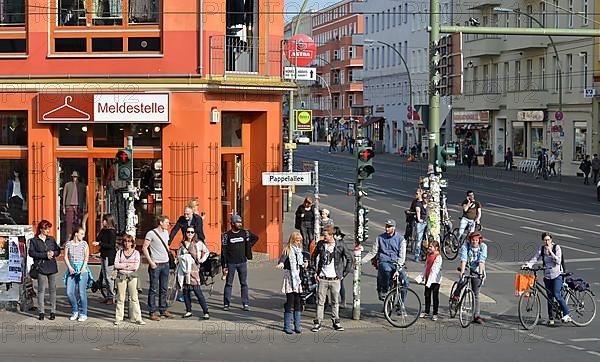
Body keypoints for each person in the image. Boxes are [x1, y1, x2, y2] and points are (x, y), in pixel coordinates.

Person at [521, 232, 572, 326]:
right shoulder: (541, 249)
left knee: (557, 294)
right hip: (547, 276)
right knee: (549, 297)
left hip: (557, 275)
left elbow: (558, 261)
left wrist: (551, 252)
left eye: (548, 239)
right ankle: (551, 318)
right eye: (545, 240)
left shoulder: (556, 248)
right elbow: (535, 258)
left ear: (551, 240)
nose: (546, 242)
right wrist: (527, 265)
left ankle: (567, 314)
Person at [311, 226, 351, 332]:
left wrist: (343, 274)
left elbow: (349, 259)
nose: (324, 237)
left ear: (332, 235)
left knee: (335, 301)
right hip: (322, 278)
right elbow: (313, 257)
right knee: (320, 302)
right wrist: (315, 272)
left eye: (326, 235)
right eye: (323, 235)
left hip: (335, 278)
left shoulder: (340, 245)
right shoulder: (321, 244)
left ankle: (336, 322)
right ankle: (318, 322)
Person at [362, 219, 409, 302]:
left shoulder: (401, 240)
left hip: (396, 262)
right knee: (386, 270)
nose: (387, 229)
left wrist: (398, 269)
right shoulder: (379, 238)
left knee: (405, 282)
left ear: (394, 228)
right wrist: (361, 261)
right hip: (384, 261)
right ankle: (385, 290)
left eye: (389, 227)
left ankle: (401, 303)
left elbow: (402, 256)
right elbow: (373, 252)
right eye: (386, 226)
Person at [221, 214, 259, 311]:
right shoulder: (226, 235)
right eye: (238, 222)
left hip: (242, 262)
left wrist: (248, 247)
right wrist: (223, 265)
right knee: (229, 283)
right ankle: (226, 304)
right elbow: (224, 251)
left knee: (244, 283)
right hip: (231, 263)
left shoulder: (245, 233)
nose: (240, 224)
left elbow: (256, 238)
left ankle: (245, 304)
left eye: (240, 222)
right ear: (232, 223)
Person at [142, 215, 174, 321]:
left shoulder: (166, 233)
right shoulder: (151, 233)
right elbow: (144, 248)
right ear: (161, 223)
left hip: (165, 263)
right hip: (156, 264)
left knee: (164, 288)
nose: (168, 224)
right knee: (153, 289)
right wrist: (150, 262)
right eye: (166, 222)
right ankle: (152, 311)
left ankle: (163, 309)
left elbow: (166, 245)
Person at [276, 231, 307, 334]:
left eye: (300, 241)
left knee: (298, 301)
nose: (298, 242)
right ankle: (287, 326)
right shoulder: (287, 250)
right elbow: (282, 259)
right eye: (297, 240)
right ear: (292, 240)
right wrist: (281, 264)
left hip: (297, 278)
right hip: (290, 278)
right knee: (290, 301)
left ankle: (297, 325)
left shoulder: (299, 251)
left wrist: (305, 263)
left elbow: (302, 262)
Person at [29, 220, 61, 321]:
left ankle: (53, 311)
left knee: (52, 290)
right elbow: (31, 253)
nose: (48, 231)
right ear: (41, 229)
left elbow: (58, 250)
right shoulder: (34, 240)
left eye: (49, 228)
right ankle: (41, 311)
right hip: (41, 267)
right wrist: (44, 255)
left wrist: (53, 253)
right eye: (46, 229)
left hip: (51, 266)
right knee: (41, 290)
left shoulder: (51, 239)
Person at [178, 225, 210, 319]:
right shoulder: (182, 243)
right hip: (184, 270)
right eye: (188, 232)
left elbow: (207, 251)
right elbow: (179, 254)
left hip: (194, 270)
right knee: (186, 292)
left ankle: (206, 311)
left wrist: (202, 259)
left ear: (194, 233)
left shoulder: (198, 243)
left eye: (192, 232)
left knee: (197, 291)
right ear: (185, 233)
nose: (190, 234)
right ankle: (188, 310)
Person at [454, 231, 487, 324]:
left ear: (479, 240)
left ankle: (476, 315)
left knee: (476, 294)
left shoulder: (483, 247)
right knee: (463, 280)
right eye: (473, 240)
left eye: (476, 240)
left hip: (477, 269)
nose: (474, 242)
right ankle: (456, 295)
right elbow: (464, 259)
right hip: (468, 267)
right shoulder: (466, 246)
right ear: (470, 240)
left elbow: (482, 260)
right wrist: (462, 271)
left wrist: (480, 274)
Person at [113, 234, 145, 325]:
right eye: (125, 241)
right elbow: (116, 264)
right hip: (121, 276)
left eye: (129, 241)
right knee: (120, 298)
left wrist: (124, 266)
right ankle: (119, 318)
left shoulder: (136, 253)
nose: (127, 243)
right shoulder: (119, 252)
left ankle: (138, 318)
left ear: (132, 243)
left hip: (132, 276)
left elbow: (136, 266)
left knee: (134, 298)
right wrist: (127, 265)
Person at [63, 226, 91, 322]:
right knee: (69, 292)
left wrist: (83, 267)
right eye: (81, 234)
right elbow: (65, 257)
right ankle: (75, 310)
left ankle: (83, 313)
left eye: (83, 234)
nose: (83, 236)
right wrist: (69, 267)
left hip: (82, 269)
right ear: (76, 233)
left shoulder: (84, 244)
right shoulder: (68, 244)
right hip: (72, 269)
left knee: (81, 292)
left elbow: (87, 256)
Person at [93, 214, 117, 304]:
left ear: (109, 221)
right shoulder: (104, 230)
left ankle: (111, 296)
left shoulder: (112, 232)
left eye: (105, 221)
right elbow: (98, 238)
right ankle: (108, 296)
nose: (103, 222)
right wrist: (101, 230)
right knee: (104, 276)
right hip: (103, 255)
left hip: (109, 256)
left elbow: (111, 245)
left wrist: (99, 244)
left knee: (108, 276)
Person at [417, 240, 442, 321]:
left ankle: (435, 313)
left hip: (435, 280)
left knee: (435, 296)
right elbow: (426, 267)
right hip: (428, 278)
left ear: (436, 248)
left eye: (431, 247)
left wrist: (429, 282)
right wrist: (421, 276)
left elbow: (434, 271)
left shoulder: (438, 257)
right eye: (429, 246)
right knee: (427, 295)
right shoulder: (429, 255)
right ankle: (426, 311)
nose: (429, 248)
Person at [62, 170, 87, 240]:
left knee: (79, 222)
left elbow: (85, 197)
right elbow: (64, 196)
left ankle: (78, 237)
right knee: (69, 223)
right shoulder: (67, 185)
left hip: (79, 206)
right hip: (69, 205)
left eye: (76, 177)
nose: (75, 178)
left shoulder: (82, 186)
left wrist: (85, 208)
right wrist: (63, 207)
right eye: (74, 177)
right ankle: (69, 238)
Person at [413, 188, 427, 262]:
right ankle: (417, 255)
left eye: (417, 193)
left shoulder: (426, 203)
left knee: (431, 237)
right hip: (421, 222)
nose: (416, 195)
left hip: (428, 221)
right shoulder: (418, 203)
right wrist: (419, 219)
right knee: (419, 239)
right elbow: (418, 211)